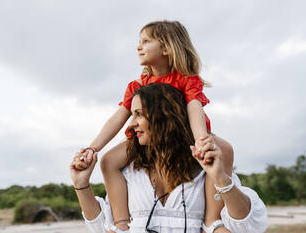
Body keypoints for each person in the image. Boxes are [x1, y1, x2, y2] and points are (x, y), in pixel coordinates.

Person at [77, 20, 234, 231]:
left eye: (146, 41)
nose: (138, 46)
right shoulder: (138, 85)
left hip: (187, 134)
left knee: (223, 150)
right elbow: (118, 117)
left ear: (167, 48)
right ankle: (121, 222)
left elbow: (194, 109)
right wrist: (93, 147)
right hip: (145, 136)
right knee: (108, 161)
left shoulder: (187, 80)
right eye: (138, 41)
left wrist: (201, 140)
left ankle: (212, 219)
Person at [71, 83, 267, 233]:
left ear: (164, 115)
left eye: (138, 114)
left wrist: (222, 179)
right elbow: (107, 228)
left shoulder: (203, 170)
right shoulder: (130, 171)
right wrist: (81, 185)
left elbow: (245, 226)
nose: (131, 124)